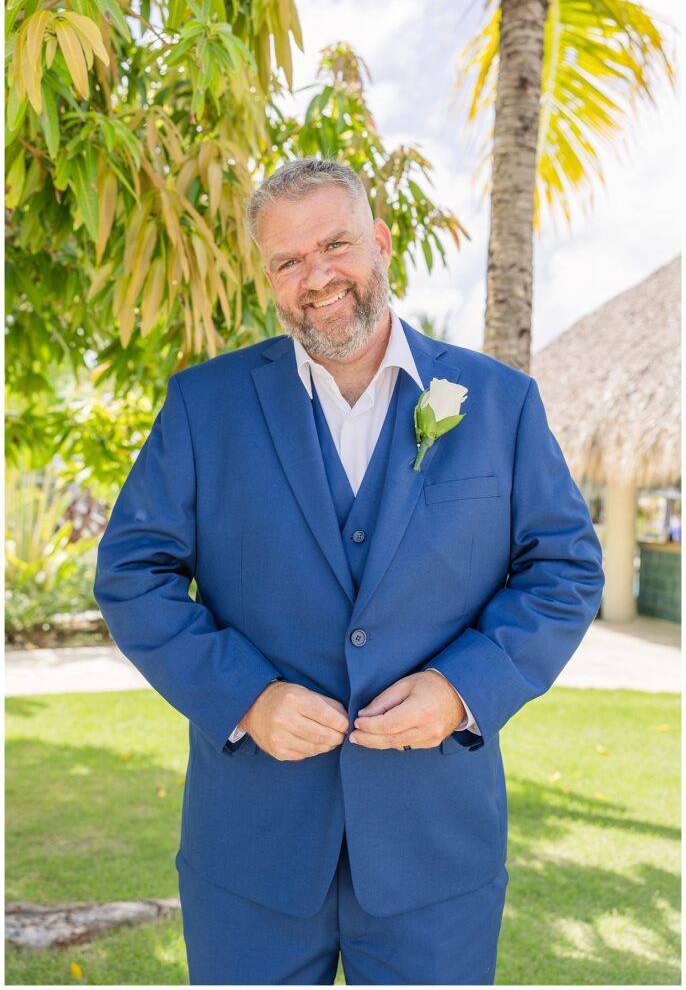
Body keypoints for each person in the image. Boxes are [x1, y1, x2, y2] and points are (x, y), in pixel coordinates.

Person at [94, 157, 604, 985]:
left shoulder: (500, 403)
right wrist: (245, 697)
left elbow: (567, 569)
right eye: (287, 262)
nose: (315, 277)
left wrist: (462, 689)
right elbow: (132, 573)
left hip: (436, 856)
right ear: (268, 279)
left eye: (334, 245)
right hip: (250, 856)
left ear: (380, 242)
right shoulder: (204, 406)